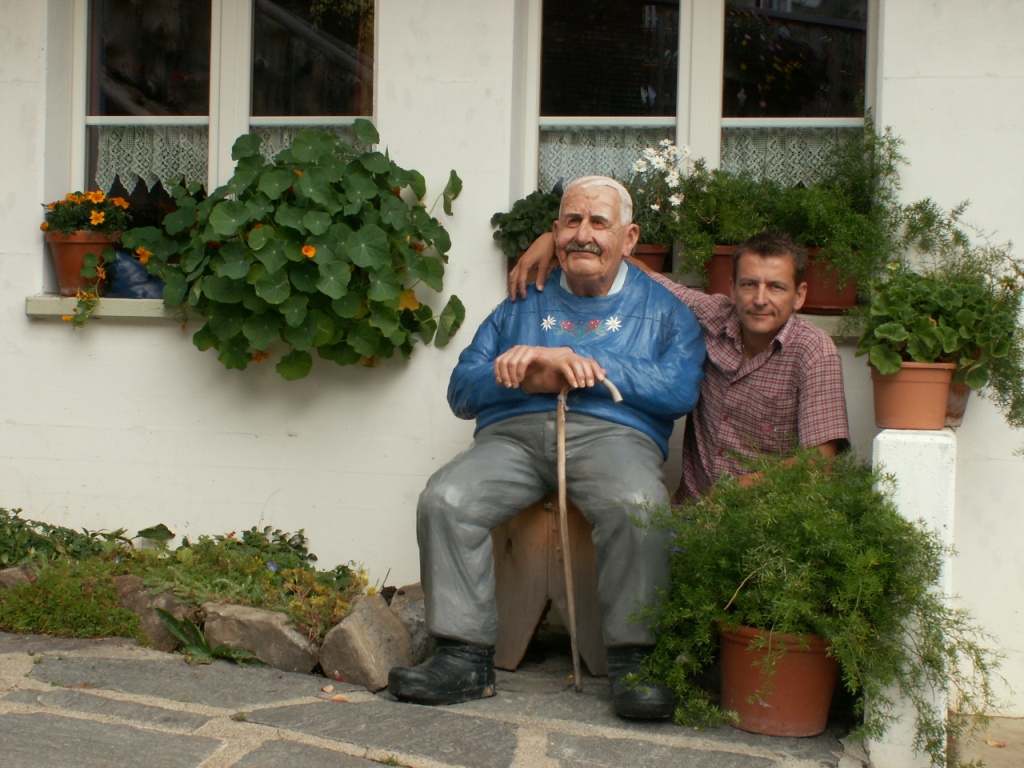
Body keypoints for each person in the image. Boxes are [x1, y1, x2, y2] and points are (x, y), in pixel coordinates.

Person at [388, 176, 706, 719]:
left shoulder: (664, 310)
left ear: (629, 239)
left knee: (639, 507)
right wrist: (522, 375)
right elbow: (461, 391)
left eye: (599, 223)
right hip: (512, 440)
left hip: (614, 439)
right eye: (572, 222)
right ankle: (463, 656)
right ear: (554, 232)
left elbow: (679, 390)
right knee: (446, 498)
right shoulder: (520, 303)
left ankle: (636, 659)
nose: (583, 235)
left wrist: (587, 367)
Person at [510, 229, 849, 500]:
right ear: (731, 287)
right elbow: (645, 276)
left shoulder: (813, 351)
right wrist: (555, 240)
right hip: (692, 516)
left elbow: (821, 461)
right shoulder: (714, 315)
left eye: (776, 287)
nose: (760, 299)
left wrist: (736, 491)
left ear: (800, 294)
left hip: (764, 522)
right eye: (749, 284)